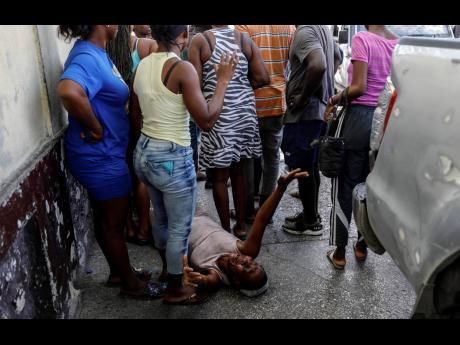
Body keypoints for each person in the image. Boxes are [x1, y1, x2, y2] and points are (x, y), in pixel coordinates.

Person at [130, 25, 238, 303]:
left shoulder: (142, 65)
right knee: (180, 226)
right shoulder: (182, 69)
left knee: (163, 220)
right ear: (183, 37)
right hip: (171, 157)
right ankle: (176, 289)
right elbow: (206, 120)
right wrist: (223, 81)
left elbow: (135, 114)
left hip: (145, 152)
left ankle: (170, 271)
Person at [57, 25, 163, 299]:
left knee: (108, 219)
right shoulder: (87, 57)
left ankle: (120, 272)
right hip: (99, 156)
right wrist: (97, 128)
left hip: (107, 152)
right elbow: (69, 91)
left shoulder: (96, 53)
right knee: (112, 223)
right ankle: (129, 283)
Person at [324, 25, 398, 269]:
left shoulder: (362, 40)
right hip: (385, 121)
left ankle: (340, 252)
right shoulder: (396, 43)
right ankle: (362, 246)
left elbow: (359, 88)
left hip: (358, 119)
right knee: (369, 185)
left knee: (345, 184)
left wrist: (333, 100)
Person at [189, 25, 270, 239]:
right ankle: (241, 225)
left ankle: (225, 230)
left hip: (218, 112)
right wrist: (240, 87)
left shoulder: (200, 41)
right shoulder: (244, 39)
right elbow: (263, 77)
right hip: (244, 112)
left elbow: (193, 84)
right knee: (239, 172)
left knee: (218, 176)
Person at [182, 169, 308, 302]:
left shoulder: (215, 275)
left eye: (246, 268)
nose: (247, 260)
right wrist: (281, 188)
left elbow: (206, 282)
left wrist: (195, 279)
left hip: (171, 229)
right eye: (253, 262)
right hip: (194, 211)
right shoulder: (247, 250)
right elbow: (262, 219)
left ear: (236, 281)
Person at [235, 25, 295, 222]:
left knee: (248, 159)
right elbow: (292, 64)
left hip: (251, 100)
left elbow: (241, 63)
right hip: (278, 101)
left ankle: (247, 210)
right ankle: (266, 210)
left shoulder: (243, 26)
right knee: (271, 159)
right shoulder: (289, 28)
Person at [281, 25, 336, 236]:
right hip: (318, 110)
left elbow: (319, 65)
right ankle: (310, 215)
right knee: (310, 167)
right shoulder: (321, 28)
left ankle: (311, 221)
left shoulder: (305, 32)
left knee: (303, 168)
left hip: (307, 113)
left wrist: (303, 97)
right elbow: (336, 55)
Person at [106, 25, 158, 246]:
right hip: (140, 119)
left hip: (114, 121)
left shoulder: (103, 49)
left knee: (123, 174)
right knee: (140, 178)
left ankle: (129, 226)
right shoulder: (147, 46)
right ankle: (144, 227)